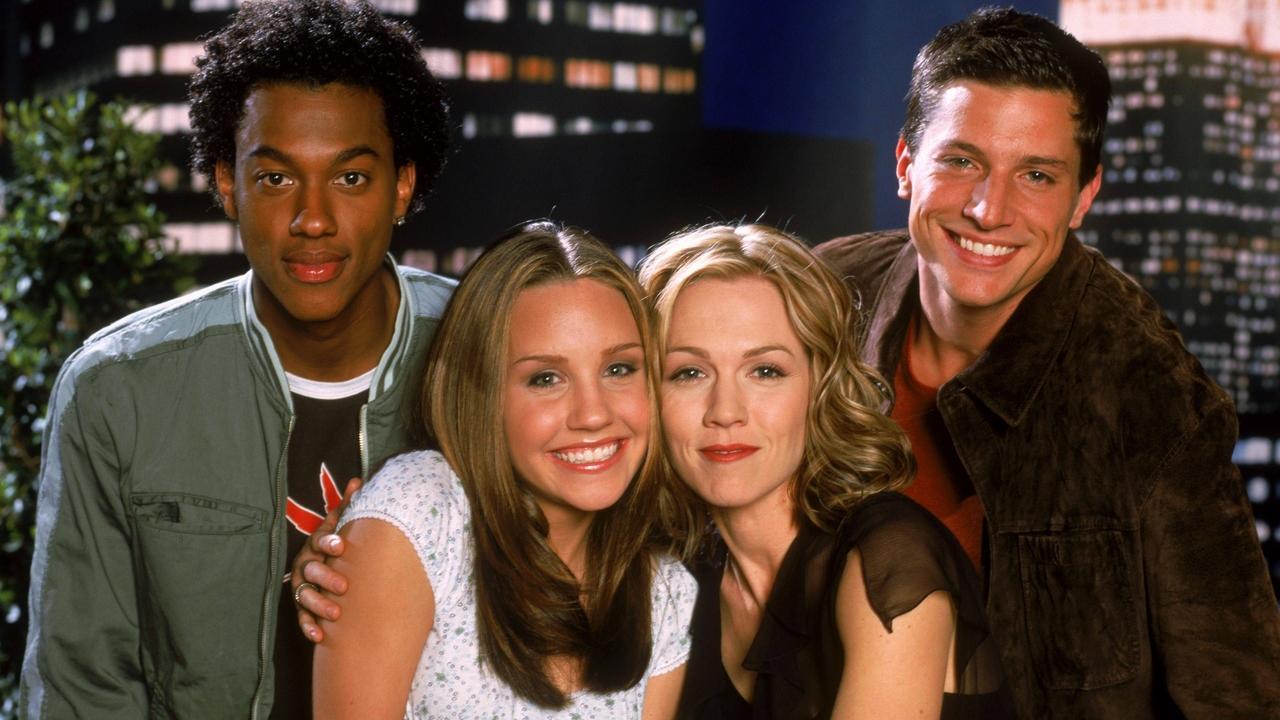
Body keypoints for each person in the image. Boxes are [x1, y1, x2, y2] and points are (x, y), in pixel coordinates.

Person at [813, 8, 1280, 718]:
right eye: (961, 161)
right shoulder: (818, 300)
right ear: (906, 164)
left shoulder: (1150, 391)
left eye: (1035, 174)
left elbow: (1235, 692)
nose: (988, 209)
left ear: (1083, 197)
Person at [20, 1, 453, 716]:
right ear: (227, 185)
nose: (313, 220)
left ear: (402, 185)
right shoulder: (118, 389)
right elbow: (81, 691)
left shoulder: (487, 351)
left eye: (350, 178)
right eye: (276, 178)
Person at [310, 222, 695, 719]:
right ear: (482, 395)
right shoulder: (424, 511)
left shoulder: (664, 593)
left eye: (618, 369)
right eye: (546, 378)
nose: (593, 414)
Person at [639, 224, 1011, 719]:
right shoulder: (674, 580)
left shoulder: (889, 557)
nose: (725, 411)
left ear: (819, 387)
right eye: (689, 373)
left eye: (765, 371)